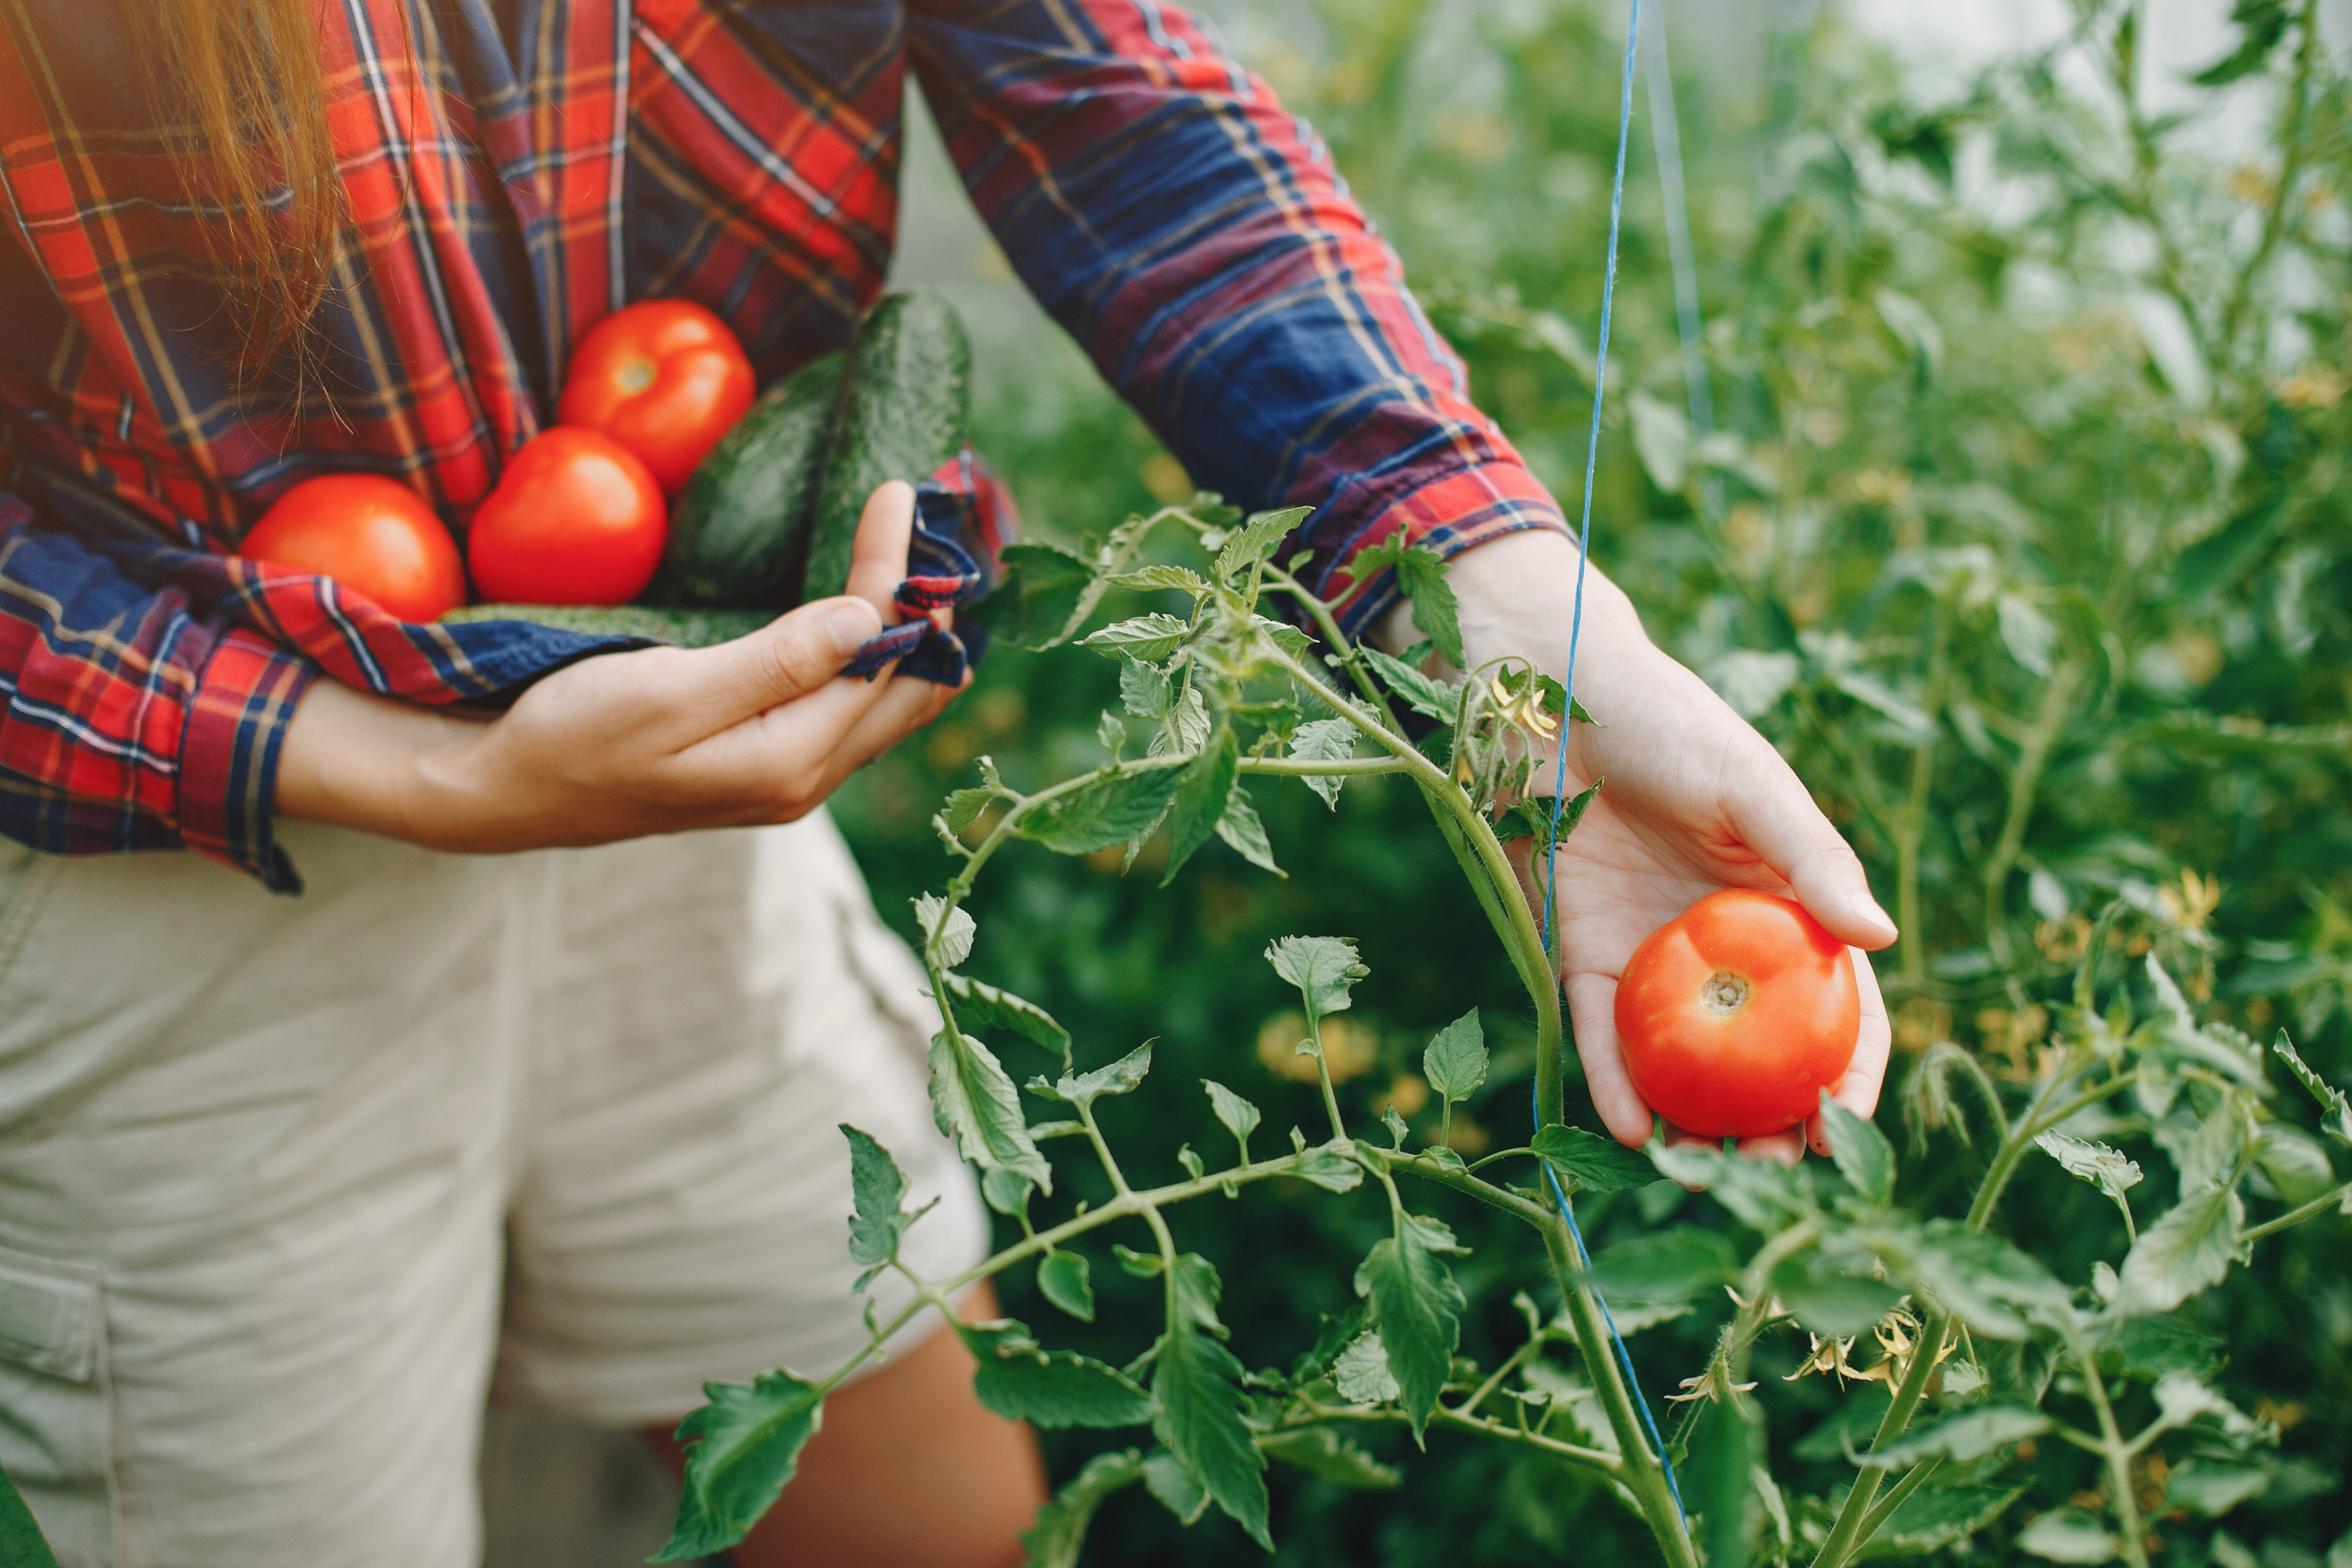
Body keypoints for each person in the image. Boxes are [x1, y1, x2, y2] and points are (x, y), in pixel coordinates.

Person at [0, 1, 1894, 1564]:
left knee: (919, 1510)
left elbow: (1107, 95)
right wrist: (379, 757)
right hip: (179, 865)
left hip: (673, 754)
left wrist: (1503, 597)